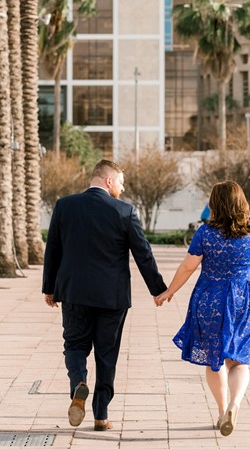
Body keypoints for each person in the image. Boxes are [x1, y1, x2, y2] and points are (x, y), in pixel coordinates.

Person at [42, 158, 167, 432]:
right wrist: (158, 289)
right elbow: (142, 253)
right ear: (109, 181)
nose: (122, 189)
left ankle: (78, 383)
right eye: (120, 183)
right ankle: (101, 415)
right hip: (112, 297)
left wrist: (49, 288)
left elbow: (53, 250)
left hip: (74, 292)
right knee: (106, 355)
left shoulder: (65, 206)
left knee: (75, 345)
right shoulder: (124, 211)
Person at [155, 181, 250, 437]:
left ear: (215, 204)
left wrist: (169, 291)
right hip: (242, 302)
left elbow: (188, 267)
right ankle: (236, 404)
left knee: (215, 361)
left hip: (209, 300)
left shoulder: (205, 234)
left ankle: (222, 409)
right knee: (239, 360)